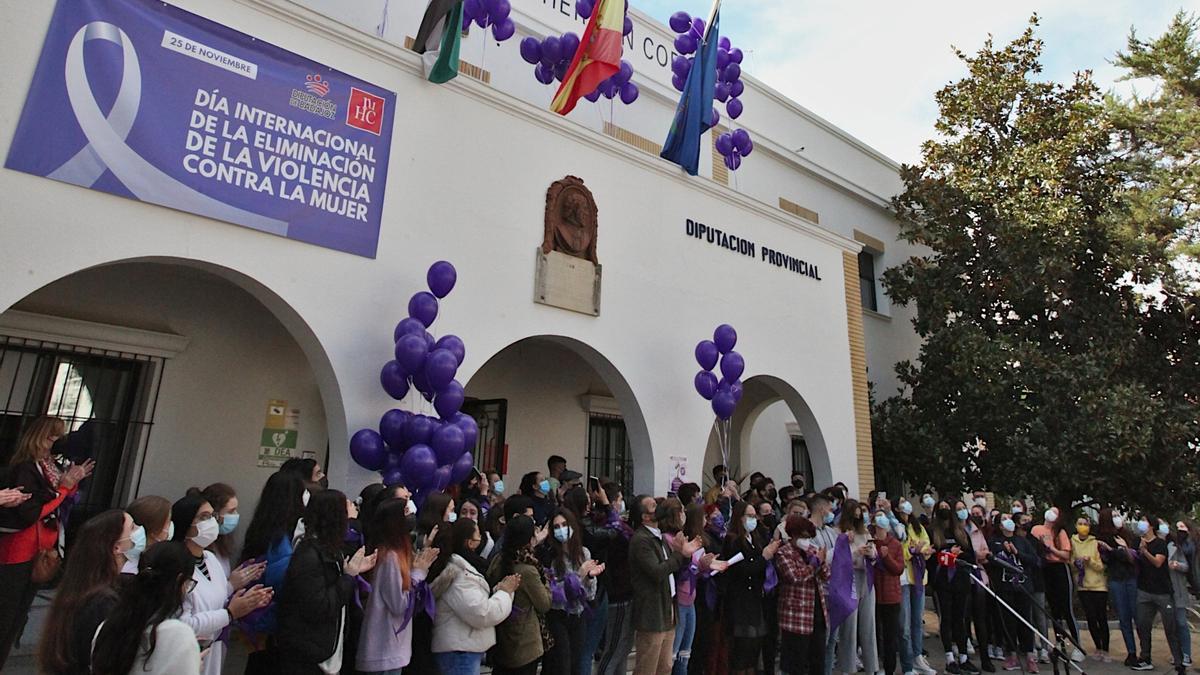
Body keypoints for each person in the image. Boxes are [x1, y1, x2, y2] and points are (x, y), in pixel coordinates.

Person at [0, 415, 94, 669]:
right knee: (6, 615)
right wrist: (63, 489)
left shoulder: (48, 465)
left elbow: (61, 500)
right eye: (50, 437)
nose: (52, 443)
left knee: (18, 616)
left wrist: (71, 483)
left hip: (40, 548)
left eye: (56, 438)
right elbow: (33, 511)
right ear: (37, 436)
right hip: (19, 549)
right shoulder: (26, 468)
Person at [274, 489, 377, 673]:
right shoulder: (308, 555)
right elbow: (320, 606)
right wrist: (348, 577)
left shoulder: (329, 549)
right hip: (308, 653)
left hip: (325, 647)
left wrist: (354, 570)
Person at [170, 493, 269, 675]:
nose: (212, 522)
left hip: (213, 650)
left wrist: (243, 599)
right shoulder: (174, 565)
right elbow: (181, 625)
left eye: (212, 516)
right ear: (185, 523)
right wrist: (230, 613)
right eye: (203, 517)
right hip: (184, 655)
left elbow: (216, 598)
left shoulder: (210, 559)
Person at [38, 509, 134, 674]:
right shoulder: (102, 601)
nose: (139, 532)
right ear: (116, 546)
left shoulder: (80, 587)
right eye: (132, 528)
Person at [90, 541, 203, 675]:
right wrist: (194, 664)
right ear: (179, 581)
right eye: (188, 584)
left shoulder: (106, 628)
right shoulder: (178, 636)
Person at [355, 497, 435, 674]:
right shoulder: (390, 557)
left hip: (390, 648)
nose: (411, 516)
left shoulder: (396, 554)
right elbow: (399, 604)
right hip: (384, 649)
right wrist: (417, 575)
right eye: (406, 512)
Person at [429, 517, 519, 674]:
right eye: (478, 534)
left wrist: (498, 590)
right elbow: (482, 613)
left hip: (463, 649)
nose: (481, 539)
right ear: (469, 542)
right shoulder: (459, 576)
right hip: (459, 653)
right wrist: (505, 593)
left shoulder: (465, 569)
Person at [629, 494, 699, 675]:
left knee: (665, 666)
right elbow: (657, 571)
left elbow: (674, 566)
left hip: (668, 607)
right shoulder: (641, 540)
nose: (659, 507)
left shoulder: (657, 535)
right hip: (652, 612)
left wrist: (685, 554)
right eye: (653, 506)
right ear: (645, 516)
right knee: (647, 667)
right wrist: (679, 554)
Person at [538, 507, 602, 674]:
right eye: (557, 527)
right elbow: (555, 594)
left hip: (578, 615)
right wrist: (579, 575)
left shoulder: (583, 553)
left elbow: (590, 594)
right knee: (562, 664)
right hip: (557, 616)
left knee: (575, 663)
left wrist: (590, 577)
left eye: (564, 525)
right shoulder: (550, 556)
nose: (561, 530)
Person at [488, 514, 553, 675]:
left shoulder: (499, 559)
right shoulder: (527, 570)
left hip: (502, 640)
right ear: (529, 538)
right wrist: (547, 581)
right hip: (525, 645)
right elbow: (544, 603)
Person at [776, 514, 830, 675]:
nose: (807, 541)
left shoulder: (811, 551)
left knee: (817, 662)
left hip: (817, 613)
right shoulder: (784, 553)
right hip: (796, 617)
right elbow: (795, 577)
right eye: (804, 537)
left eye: (809, 537)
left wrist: (820, 561)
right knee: (795, 664)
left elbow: (827, 575)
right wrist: (813, 564)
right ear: (793, 535)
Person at [1132, 516, 1185, 673]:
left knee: (1171, 628)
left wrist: (1144, 552)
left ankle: (1179, 662)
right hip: (1143, 591)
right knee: (1142, 626)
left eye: (1144, 521)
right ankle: (1145, 658)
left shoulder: (1160, 544)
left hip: (1162, 592)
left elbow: (1158, 562)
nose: (1141, 523)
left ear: (1151, 526)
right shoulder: (1137, 542)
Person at [595, 481, 638, 675]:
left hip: (626, 591)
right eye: (619, 499)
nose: (622, 503)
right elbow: (624, 536)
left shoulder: (619, 525)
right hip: (617, 592)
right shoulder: (609, 527)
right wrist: (608, 507)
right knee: (614, 648)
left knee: (624, 648)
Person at [931, 500, 978, 674]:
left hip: (960, 581)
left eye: (946, 507)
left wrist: (959, 554)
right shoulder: (933, 532)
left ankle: (964, 656)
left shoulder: (960, 532)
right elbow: (931, 556)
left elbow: (971, 557)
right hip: (943, 583)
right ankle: (950, 657)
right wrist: (947, 555)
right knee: (947, 619)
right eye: (941, 508)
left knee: (961, 619)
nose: (944, 510)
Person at [834, 499, 880, 675]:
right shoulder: (839, 532)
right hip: (848, 579)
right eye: (856, 512)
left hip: (866, 577)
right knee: (849, 627)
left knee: (868, 624)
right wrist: (854, 552)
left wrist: (871, 553)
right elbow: (837, 558)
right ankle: (848, 667)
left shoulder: (865, 531)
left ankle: (872, 667)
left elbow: (874, 554)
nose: (859, 516)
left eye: (861, 513)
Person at [1030, 507, 1082, 661]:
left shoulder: (1060, 532)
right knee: (1054, 611)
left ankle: (1077, 645)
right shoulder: (1036, 529)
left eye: (1055, 512)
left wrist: (1051, 547)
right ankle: (1060, 643)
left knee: (1066, 608)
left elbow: (1066, 555)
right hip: (1045, 570)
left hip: (1060, 569)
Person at [992, 514, 1039, 673]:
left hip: (1023, 587)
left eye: (1009, 518)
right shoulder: (995, 542)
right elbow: (992, 560)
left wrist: (1017, 553)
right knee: (1009, 622)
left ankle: (1030, 656)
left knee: (1026, 621)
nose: (1008, 521)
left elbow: (1034, 560)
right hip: (1005, 588)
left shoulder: (1022, 541)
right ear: (1000, 525)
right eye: (1004, 519)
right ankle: (1012, 655)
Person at [1095, 508, 1138, 666]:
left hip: (1131, 578)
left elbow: (1133, 557)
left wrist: (1117, 550)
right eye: (1113, 516)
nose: (1117, 518)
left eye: (1117, 515)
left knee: (1137, 617)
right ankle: (1131, 652)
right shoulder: (1102, 538)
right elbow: (1106, 558)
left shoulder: (1127, 535)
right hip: (1116, 579)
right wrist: (1116, 552)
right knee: (1124, 618)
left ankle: (1145, 652)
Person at [897, 498, 935, 675]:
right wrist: (912, 551)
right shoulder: (896, 526)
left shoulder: (916, 525)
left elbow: (925, 543)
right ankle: (908, 663)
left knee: (917, 622)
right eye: (902, 503)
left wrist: (923, 550)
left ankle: (918, 656)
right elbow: (900, 550)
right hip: (904, 579)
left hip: (919, 577)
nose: (906, 505)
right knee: (904, 625)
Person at [1069, 515, 1109, 662]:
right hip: (1083, 586)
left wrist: (1090, 561)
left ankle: (1106, 649)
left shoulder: (1095, 543)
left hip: (1099, 585)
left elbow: (1101, 566)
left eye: (1085, 524)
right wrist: (1077, 563)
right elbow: (1070, 563)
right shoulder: (1072, 542)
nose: (1082, 526)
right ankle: (1098, 647)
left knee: (1101, 618)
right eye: (1080, 523)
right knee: (1091, 618)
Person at [873, 507, 906, 675]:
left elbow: (899, 568)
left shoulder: (895, 544)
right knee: (875, 636)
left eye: (883, 518)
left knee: (890, 636)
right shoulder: (870, 542)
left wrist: (886, 557)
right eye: (877, 518)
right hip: (873, 595)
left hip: (891, 596)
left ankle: (890, 669)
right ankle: (875, 666)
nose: (881, 521)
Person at [965, 502, 996, 672]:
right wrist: (975, 555)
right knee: (964, 619)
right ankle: (964, 656)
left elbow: (985, 552)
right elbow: (966, 554)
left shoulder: (976, 531)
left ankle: (985, 656)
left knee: (981, 619)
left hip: (980, 578)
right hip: (963, 578)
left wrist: (978, 556)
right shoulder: (958, 532)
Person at [1167, 521, 1194, 669]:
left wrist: (1177, 565)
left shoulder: (1187, 547)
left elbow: (1187, 566)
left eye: (1182, 527)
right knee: (1173, 624)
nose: (1179, 531)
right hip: (1168, 590)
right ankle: (1177, 653)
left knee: (1182, 623)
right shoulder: (1171, 545)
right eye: (1177, 528)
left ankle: (1186, 654)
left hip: (1180, 590)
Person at [124, 496, 173, 574]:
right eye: (168, 522)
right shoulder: (130, 570)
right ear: (154, 530)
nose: (171, 525)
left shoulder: (150, 562)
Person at [199, 483, 240, 578]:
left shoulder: (221, 542)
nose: (236, 515)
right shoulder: (201, 549)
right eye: (231, 511)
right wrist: (232, 585)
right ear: (214, 515)